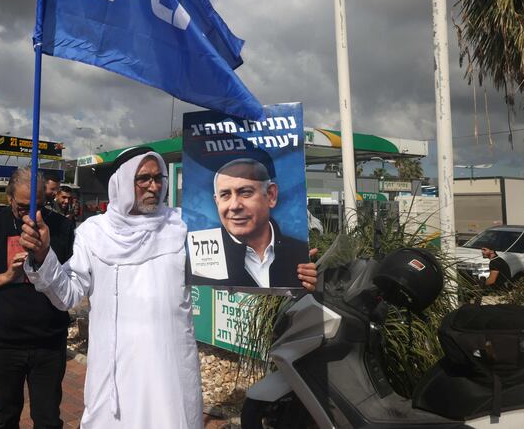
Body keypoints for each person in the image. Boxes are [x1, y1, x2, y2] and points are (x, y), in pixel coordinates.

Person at [21, 148, 318, 428]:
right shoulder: (94, 234)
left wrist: (291, 276)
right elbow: (67, 296)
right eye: (143, 178)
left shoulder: (183, 227)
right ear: (123, 183)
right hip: (115, 375)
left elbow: (234, 276)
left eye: (158, 178)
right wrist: (43, 256)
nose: (154, 186)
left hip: (171, 370)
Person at [0, 169, 75, 429]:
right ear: (9, 197)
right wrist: (6, 276)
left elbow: (73, 284)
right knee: (5, 417)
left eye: (38, 206)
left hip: (49, 343)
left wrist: (46, 257)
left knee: (48, 420)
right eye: (22, 206)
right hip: (2, 345)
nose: (30, 214)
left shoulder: (62, 227)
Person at [191, 158, 309, 288]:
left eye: (245, 192)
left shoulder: (300, 255)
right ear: (217, 201)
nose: (234, 206)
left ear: (271, 195)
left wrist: (316, 284)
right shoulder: (199, 260)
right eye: (225, 195)